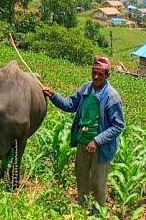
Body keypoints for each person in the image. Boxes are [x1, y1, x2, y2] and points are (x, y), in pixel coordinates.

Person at [43, 56, 124, 207]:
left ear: (107, 75)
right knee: (81, 176)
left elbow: (118, 126)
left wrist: (97, 141)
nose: (96, 76)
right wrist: (54, 96)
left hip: (100, 147)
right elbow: (70, 104)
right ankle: (82, 208)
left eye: (100, 74)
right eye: (94, 72)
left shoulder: (112, 97)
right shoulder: (86, 89)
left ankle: (97, 213)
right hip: (83, 140)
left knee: (97, 181)